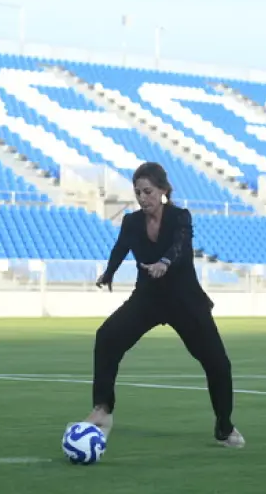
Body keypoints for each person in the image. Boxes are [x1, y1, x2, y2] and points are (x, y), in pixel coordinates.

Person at [80, 161, 245, 448]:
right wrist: (109, 273)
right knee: (107, 337)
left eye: (148, 191)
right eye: (138, 193)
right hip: (148, 299)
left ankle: (224, 426)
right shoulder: (131, 222)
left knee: (218, 364)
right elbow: (120, 248)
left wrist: (164, 263)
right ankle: (102, 410)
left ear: (162, 190)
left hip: (185, 301)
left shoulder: (180, 217)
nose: (143, 198)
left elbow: (181, 245)